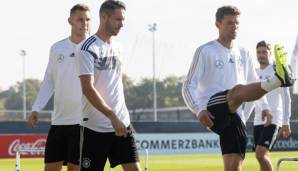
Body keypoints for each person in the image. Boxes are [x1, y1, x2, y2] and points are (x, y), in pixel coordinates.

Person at [182, 5, 295, 171]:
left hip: (236, 116)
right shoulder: (205, 51)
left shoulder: (244, 53)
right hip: (212, 109)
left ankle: (277, 79)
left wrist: (264, 107)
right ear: (218, 24)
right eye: (229, 23)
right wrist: (198, 110)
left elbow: (254, 82)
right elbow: (187, 85)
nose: (234, 26)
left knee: (234, 166)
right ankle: (278, 79)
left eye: (237, 23)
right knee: (235, 92)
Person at [76, 1, 141, 171]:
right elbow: (87, 89)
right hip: (94, 127)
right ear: (103, 17)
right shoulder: (87, 48)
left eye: (123, 20)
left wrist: (119, 117)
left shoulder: (119, 47)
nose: (122, 24)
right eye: (117, 19)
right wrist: (112, 116)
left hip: (122, 125)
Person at [28, 4, 91, 171]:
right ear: (70, 20)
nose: (84, 23)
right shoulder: (57, 48)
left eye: (88, 20)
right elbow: (49, 81)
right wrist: (36, 108)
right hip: (59, 122)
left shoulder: (95, 48)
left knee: (74, 169)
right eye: (80, 19)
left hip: (84, 123)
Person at [245, 41, 291, 171]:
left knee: (260, 154)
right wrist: (243, 119)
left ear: (270, 54)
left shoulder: (277, 70)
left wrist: (286, 121)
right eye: (259, 52)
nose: (261, 55)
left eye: (264, 52)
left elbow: (286, 96)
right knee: (262, 157)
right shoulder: (254, 73)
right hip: (258, 120)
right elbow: (251, 99)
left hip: (274, 118)